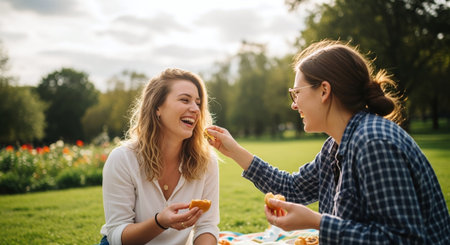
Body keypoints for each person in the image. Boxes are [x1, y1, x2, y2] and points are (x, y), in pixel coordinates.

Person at [206, 40, 450, 244]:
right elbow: (293, 188)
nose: (293, 104)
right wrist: (235, 151)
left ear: (324, 91)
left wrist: (317, 222)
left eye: (296, 93)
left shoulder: (373, 143)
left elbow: (404, 240)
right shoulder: (337, 144)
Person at [99, 68, 219, 245]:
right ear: (157, 108)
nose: (195, 109)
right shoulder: (123, 159)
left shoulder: (206, 161)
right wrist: (159, 222)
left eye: (198, 103)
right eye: (185, 100)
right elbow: (117, 235)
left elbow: (207, 226)